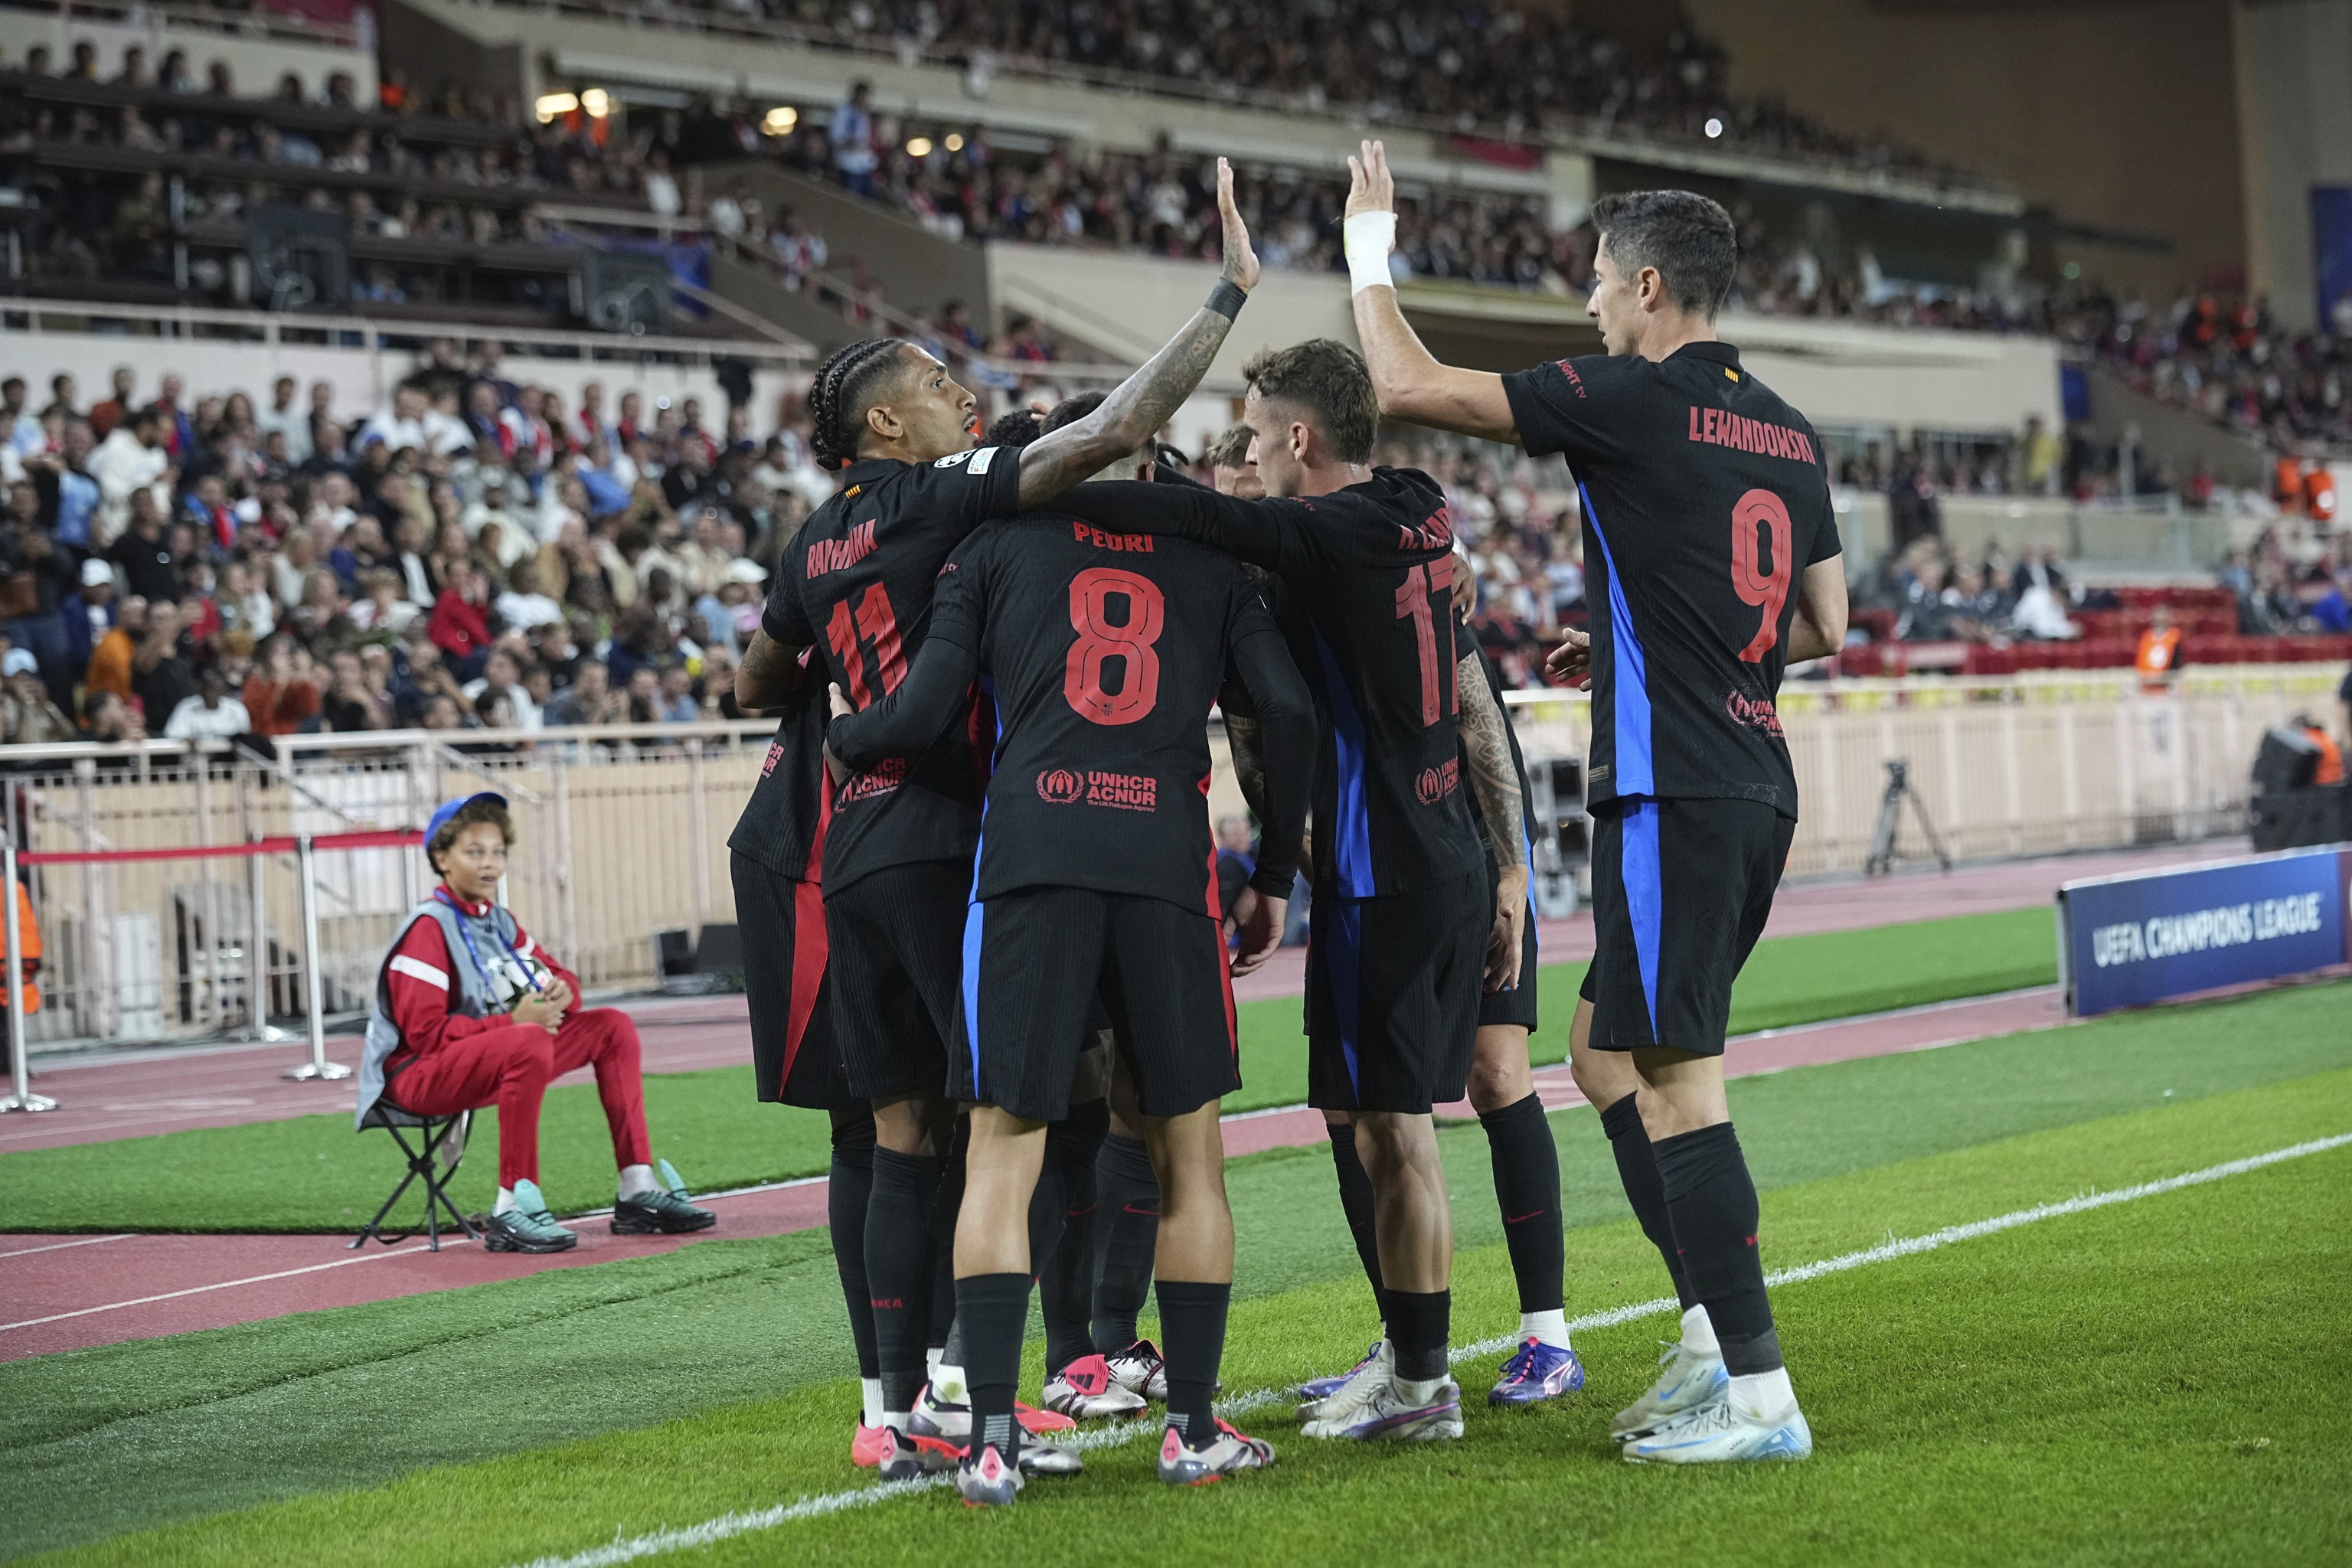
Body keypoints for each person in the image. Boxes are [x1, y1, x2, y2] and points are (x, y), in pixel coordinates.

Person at [735, 156, 1263, 1482]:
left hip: (842, 841)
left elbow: (756, 676)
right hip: (955, 829)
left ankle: (890, 1400)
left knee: (889, 1124)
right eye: (930, 383)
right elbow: (1097, 437)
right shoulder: (938, 500)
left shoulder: (810, 540)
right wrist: (1221, 303)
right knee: (1005, 1116)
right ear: (887, 430)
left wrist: (831, 706)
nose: (957, 391)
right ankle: (986, 1391)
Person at [1344, 145, 1847, 1462]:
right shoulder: (1786, 425)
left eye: (1591, 285)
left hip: (1672, 788)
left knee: (1679, 1082)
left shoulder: (1626, 393)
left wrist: (1364, 247)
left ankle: (1757, 1395)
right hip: (1751, 772)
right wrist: (1656, 649)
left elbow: (1399, 384)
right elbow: (1825, 623)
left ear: (1642, 286)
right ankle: (1700, 1342)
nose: (1584, 307)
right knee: (1604, 1051)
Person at [821, 400, 1313, 1501]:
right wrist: (1276, 872)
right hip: (1165, 861)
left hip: (1033, 854)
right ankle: (1190, 1427)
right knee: (1189, 1155)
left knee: (1003, 1144)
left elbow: (929, 701)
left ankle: (989, 1432)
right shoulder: (1207, 550)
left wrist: (843, 736)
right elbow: (1284, 708)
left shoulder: (989, 541)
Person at [1053, 338, 1489, 1446]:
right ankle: (1407, 1359)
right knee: (1359, 1121)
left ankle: (1422, 1385)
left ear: (1299, 438)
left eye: (1251, 435)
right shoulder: (1419, 502)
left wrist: (1078, 464)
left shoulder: (1324, 531)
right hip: (1436, 851)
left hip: (1382, 868)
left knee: (1397, 1136)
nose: (1241, 454)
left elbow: (1204, 522)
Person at [355, 793, 717, 1253]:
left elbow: (557, 975)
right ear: (441, 858)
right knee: (526, 1039)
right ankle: (512, 1207)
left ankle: (636, 1188)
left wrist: (563, 991)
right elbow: (424, 1038)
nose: (490, 864)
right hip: (415, 1077)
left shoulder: (499, 922)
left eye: (498, 853)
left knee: (613, 1027)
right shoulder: (428, 929)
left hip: (494, 1055)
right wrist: (512, 1023)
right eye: (474, 852)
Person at [162, 665, 253, 741]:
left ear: (224, 691)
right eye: (208, 688)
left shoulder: (237, 709)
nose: (210, 694)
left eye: (215, 690)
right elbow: (172, 736)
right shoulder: (186, 707)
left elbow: (245, 740)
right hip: (194, 760)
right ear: (200, 689)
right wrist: (185, 740)